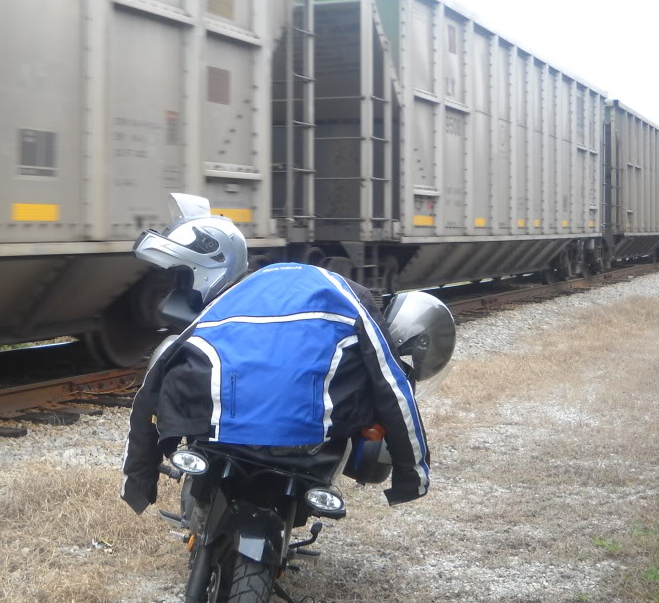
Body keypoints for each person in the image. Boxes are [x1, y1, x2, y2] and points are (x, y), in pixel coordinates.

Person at [120, 194, 445, 515]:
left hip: (221, 438)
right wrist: (412, 475)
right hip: (310, 446)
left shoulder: (221, 307)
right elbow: (392, 383)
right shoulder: (347, 294)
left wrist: (138, 483)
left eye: (182, 278)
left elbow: (151, 389)